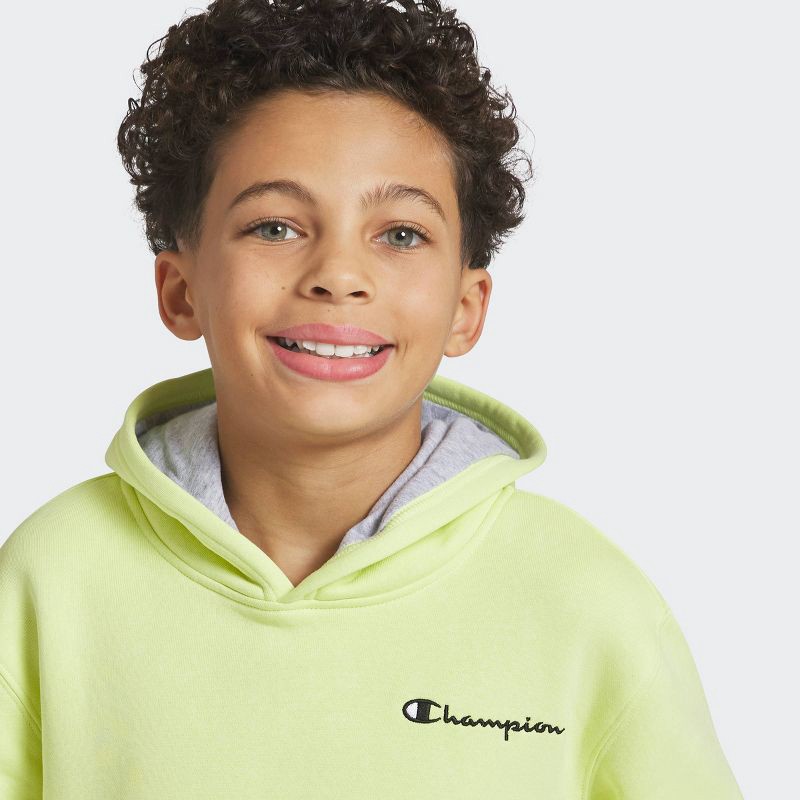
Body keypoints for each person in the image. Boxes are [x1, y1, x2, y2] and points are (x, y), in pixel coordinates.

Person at [0, 0, 744, 797]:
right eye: (275, 227)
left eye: (400, 234)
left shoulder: (588, 600)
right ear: (181, 291)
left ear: (466, 309)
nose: (338, 275)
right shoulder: (52, 576)